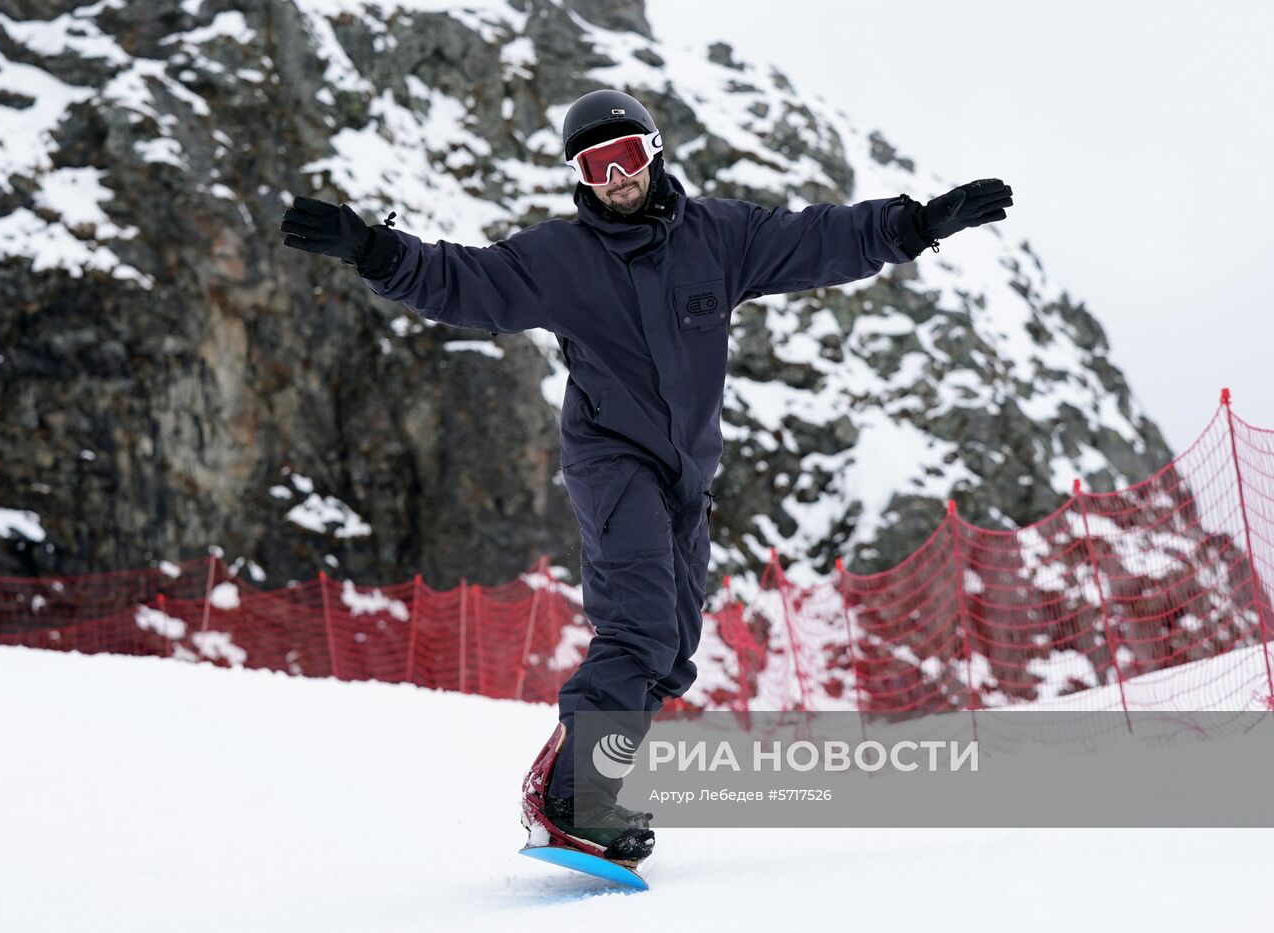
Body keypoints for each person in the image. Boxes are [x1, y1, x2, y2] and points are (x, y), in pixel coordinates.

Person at [281, 89, 1013, 864]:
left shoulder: (719, 237)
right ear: (579, 177)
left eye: (624, 157)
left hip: (686, 473)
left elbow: (817, 239)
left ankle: (570, 773)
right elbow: (464, 281)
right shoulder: (559, 258)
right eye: (594, 166)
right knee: (638, 628)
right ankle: (578, 799)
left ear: (652, 154)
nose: (613, 178)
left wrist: (916, 225)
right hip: (611, 458)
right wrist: (371, 249)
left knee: (670, 656)